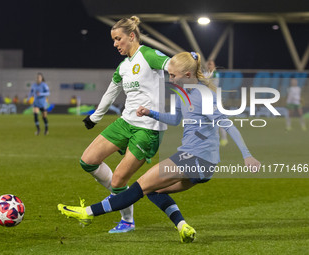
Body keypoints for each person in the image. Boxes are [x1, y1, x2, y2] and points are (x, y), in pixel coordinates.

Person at [58, 52, 261, 243]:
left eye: (174, 75)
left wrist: (247, 155)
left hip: (195, 158)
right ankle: (183, 227)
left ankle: (89, 213)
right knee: (154, 191)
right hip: (203, 166)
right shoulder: (185, 93)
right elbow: (174, 119)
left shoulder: (203, 95)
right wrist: (150, 113)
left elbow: (227, 124)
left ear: (188, 74)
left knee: (139, 187)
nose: (171, 79)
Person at [69, 16, 170, 233]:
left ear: (131, 36)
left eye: (118, 39)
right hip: (125, 122)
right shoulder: (123, 66)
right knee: (88, 161)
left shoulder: (149, 55)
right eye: (114, 40)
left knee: (117, 180)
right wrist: (95, 117)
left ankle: (126, 220)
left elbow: (173, 65)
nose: (115, 44)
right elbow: (111, 91)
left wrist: (192, 65)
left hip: (148, 128)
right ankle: (119, 196)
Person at [204, 59, 228, 146]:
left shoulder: (215, 73)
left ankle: (224, 138)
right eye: (208, 64)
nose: (209, 66)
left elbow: (206, 80)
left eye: (211, 64)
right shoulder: (205, 74)